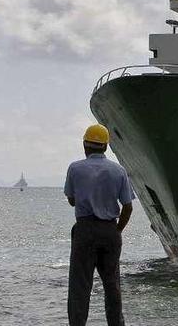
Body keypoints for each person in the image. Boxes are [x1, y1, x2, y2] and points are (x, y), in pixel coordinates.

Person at [65, 124, 136, 326]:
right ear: (105, 147)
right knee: (112, 286)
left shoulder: (75, 168)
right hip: (110, 230)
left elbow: (71, 200)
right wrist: (116, 230)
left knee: (80, 287)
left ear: (85, 145)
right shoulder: (119, 170)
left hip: (84, 230)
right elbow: (128, 206)